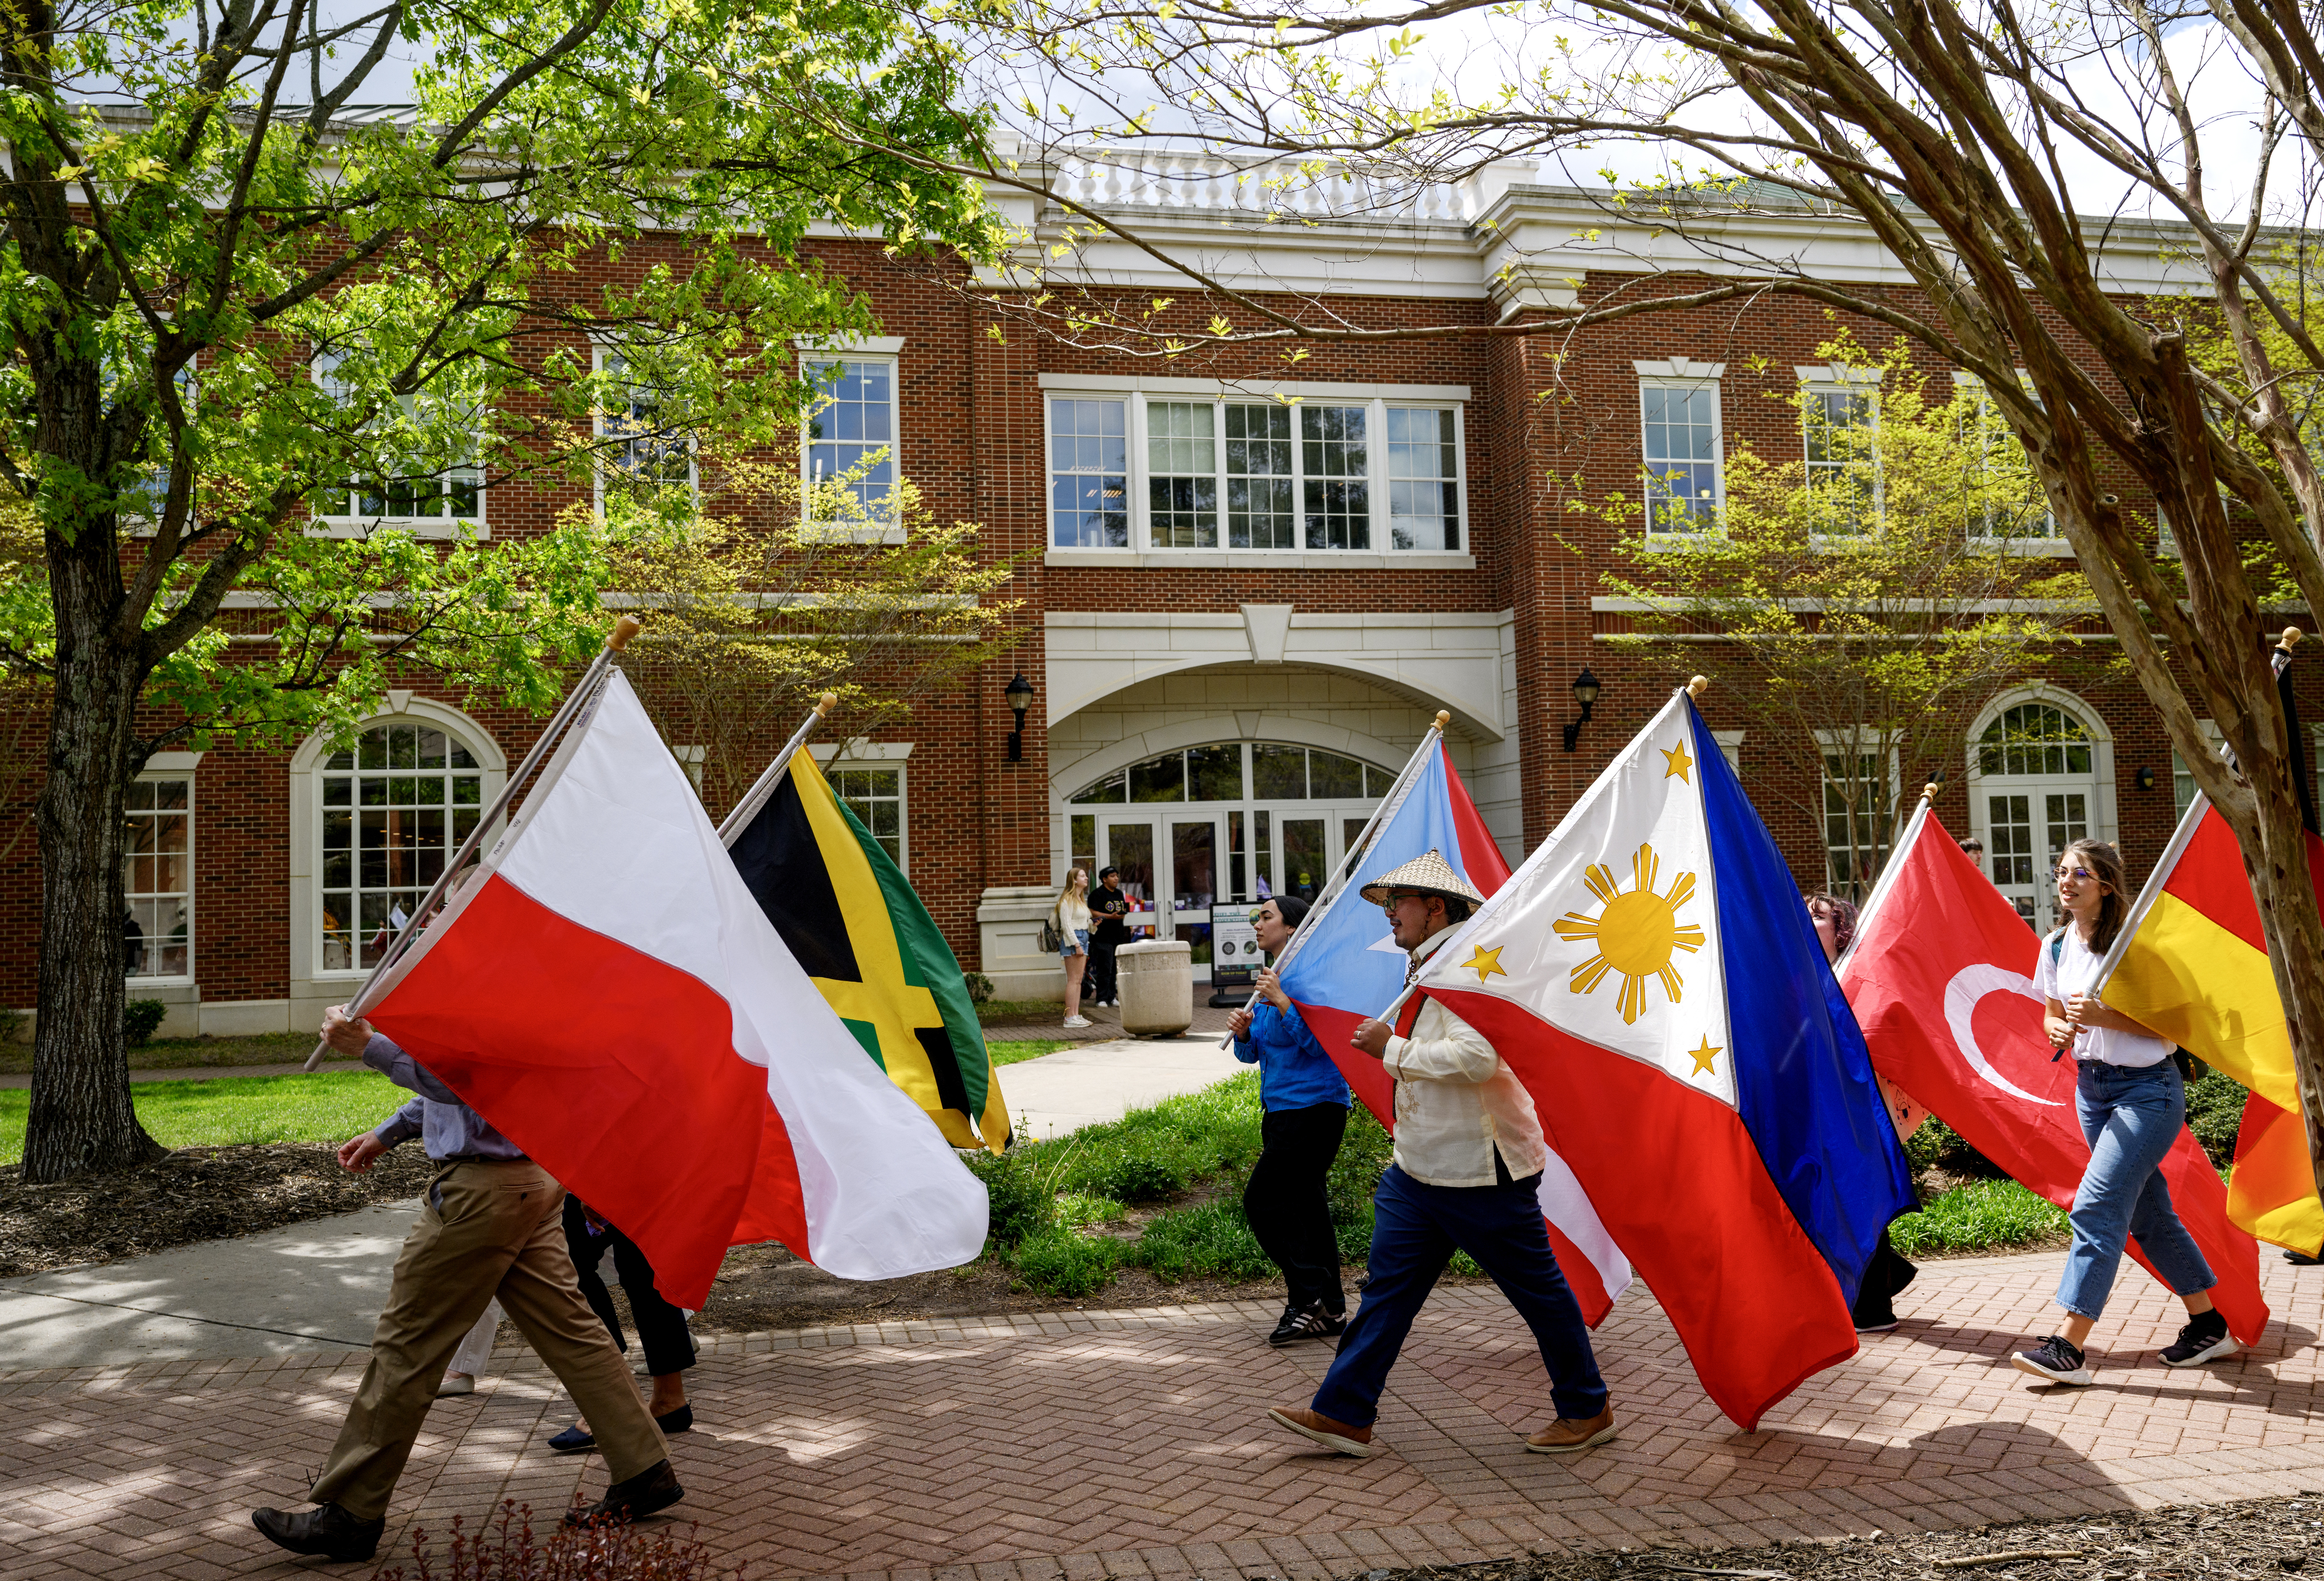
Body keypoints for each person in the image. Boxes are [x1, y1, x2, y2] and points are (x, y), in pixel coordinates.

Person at [249, 1001, 681, 1562]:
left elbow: (466, 1083)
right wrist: (392, 1130)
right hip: (530, 1178)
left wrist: (368, 1047)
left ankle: (351, 1513)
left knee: (406, 1347)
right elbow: (466, 1086)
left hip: (482, 1194)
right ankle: (644, 1466)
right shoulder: (518, 982)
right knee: (575, 1333)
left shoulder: (491, 985)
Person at [1267, 849, 1614, 1459]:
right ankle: (1344, 1411)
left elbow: (1479, 1059)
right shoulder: (1431, 965)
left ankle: (1587, 1406)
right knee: (1387, 1292)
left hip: (1482, 1172)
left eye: (1397, 904)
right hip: (1423, 1169)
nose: (1389, 918)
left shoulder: (1466, 970)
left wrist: (1390, 1050)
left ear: (1434, 907)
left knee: (1540, 1293)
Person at [2011, 838, 2234, 1386]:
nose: (2067, 881)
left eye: (2080, 873)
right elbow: (2051, 1016)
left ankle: (2069, 1343)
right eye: (2062, 871)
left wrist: (2109, 1016)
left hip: (2149, 1092)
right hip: (2093, 1091)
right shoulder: (2057, 946)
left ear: (2106, 885)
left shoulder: (2136, 947)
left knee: (2098, 1204)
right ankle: (2209, 1324)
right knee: (2147, 1214)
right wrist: (2060, 1028)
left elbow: (2178, 1027)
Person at [1227, 893, 1352, 1345]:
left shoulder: (1308, 979)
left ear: (1292, 925)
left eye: (1266, 917)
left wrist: (1283, 1003)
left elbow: (1323, 1046)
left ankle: (1308, 1296)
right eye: (1257, 918)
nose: (1257, 925)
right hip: (1280, 1111)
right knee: (1308, 1210)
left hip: (1315, 1110)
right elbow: (1256, 1052)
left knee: (1263, 1202)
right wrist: (1244, 1034)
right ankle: (1333, 1310)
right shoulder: (1270, 979)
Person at [1804, 892, 1919, 1333]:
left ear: (1841, 931)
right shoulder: (1805, 978)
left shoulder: (1855, 981)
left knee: (1860, 1200)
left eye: (1816, 916)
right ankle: (1891, 1275)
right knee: (1829, 1202)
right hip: (1822, 1113)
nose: (1805, 919)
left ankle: (1873, 1308)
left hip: (1857, 1116)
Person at [546, 1195, 696, 1451]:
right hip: (635, 1166)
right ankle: (667, 1400)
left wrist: (593, 1185)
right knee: (640, 1261)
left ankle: (612, 1404)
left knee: (569, 1258)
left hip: (623, 1168)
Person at [1054, 866, 1093, 1029]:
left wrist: (1093, 925)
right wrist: (1077, 944)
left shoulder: (1081, 900)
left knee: (1078, 981)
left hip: (1084, 938)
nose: (1086, 878)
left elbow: (1083, 922)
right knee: (1073, 981)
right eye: (1083, 876)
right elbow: (1067, 925)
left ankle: (1075, 1015)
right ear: (1075, 880)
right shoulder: (1067, 900)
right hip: (1073, 941)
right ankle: (1069, 1017)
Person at [1088, 867, 1133, 1007]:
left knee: (1115, 968)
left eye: (1117, 876)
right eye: (1113, 876)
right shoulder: (1098, 894)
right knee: (1105, 968)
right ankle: (1101, 998)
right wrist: (1110, 917)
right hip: (1103, 937)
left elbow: (1123, 910)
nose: (1116, 879)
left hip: (1117, 937)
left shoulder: (1119, 894)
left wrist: (1122, 914)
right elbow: (1092, 912)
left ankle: (1111, 997)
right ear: (1104, 879)